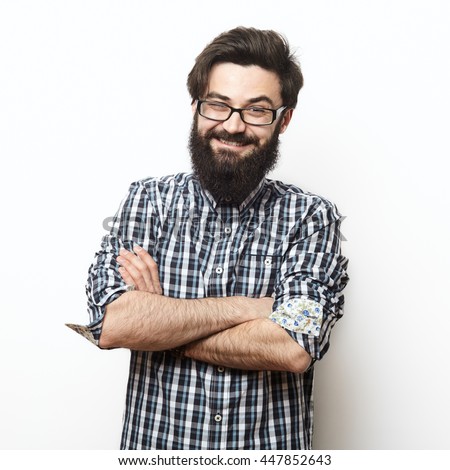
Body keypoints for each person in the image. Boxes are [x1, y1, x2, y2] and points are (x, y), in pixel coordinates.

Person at [68, 26, 349, 450]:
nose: (233, 126)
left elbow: (293, 347)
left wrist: (163, 323)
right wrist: (249, 309)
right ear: (197, 107)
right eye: (218, 105)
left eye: (257, 110)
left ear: (283, 119)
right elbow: (115, 323)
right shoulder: (148, 201)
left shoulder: (311, 218)